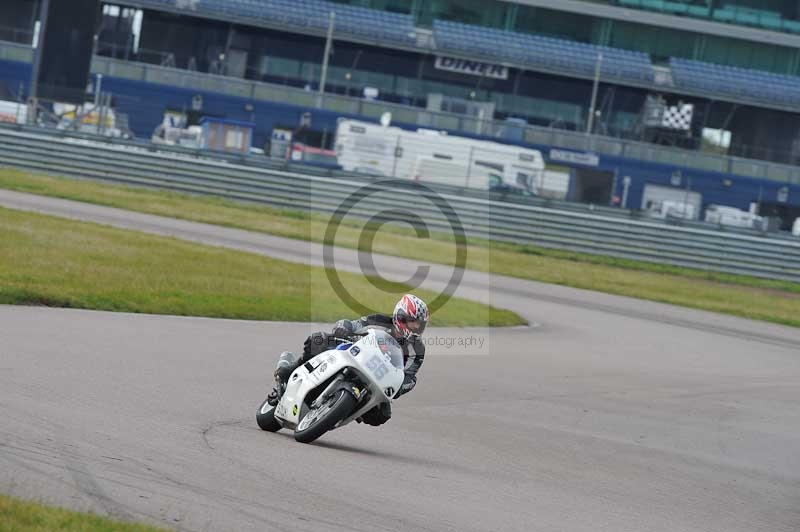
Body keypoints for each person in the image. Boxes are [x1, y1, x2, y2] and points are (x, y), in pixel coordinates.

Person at [267, 294, 429, 426]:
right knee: (318, 340)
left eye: (419, 325)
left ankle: (343, 410)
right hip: (353, 354)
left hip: (378, 378)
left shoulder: (418, 350)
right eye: (412, 322)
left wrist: (403, 386)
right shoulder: (379, 320)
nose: (415, 328)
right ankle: (289, 370)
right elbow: (354, 324)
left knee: (382, 415)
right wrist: (343, 327)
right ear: (400, 316)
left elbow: (409, 375)